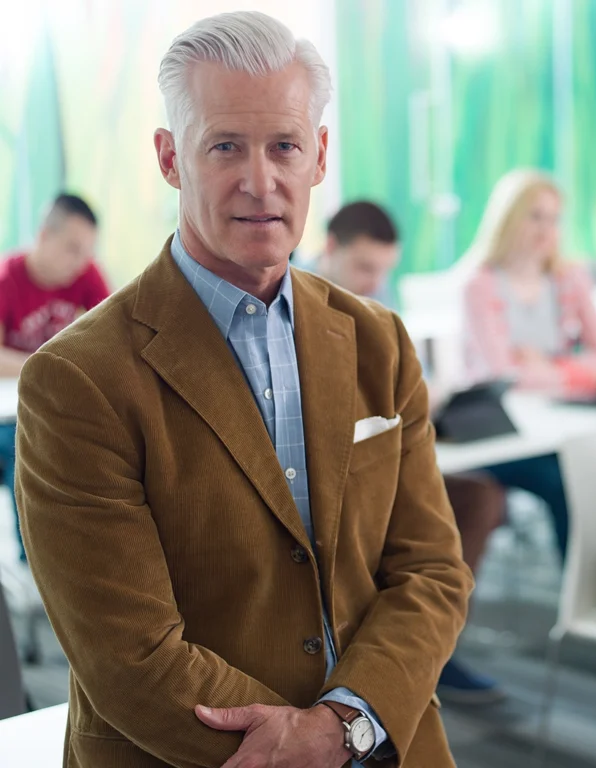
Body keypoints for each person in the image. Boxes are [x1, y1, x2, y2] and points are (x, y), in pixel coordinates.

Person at [16, 12, 472, 768]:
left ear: (319, 155)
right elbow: (129, 655)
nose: (260, 182)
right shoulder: (77, 380)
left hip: (379, 739)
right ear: (170, 157)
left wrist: (343, 726)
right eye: (224, 145)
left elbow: (431, 571)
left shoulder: (379, 345)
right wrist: (299, 749)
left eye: (284, 146)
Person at [314, 200, 508, 703]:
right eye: (364, 267)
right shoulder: (292, 307)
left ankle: (431, 643)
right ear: (329, 249)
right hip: (329, 477)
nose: (376, 281)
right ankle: (391, 654)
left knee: (480, 498)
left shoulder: (375, 307)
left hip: (381, 454)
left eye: (383, 270)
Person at [459, 168, 596, 560]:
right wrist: (575, 369)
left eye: (553, 218)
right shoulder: (478, 285)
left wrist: (546, 365)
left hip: (559, 422)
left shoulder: (570, 278)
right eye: (535, 216)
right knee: (567, 480)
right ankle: (576, 595)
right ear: (509, 219)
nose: (545, 228)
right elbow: (503, 375)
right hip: (503, 433)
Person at [0, 193, 109, 563]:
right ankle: (31, 560)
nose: (80, 262)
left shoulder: (85, 275)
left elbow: (112, 337)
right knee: (23, 449)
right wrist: (48, 363)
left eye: (87, 252)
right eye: (72, 249)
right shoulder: (7, 278)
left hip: (55, 402)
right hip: (10, 410)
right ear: (45, 235)